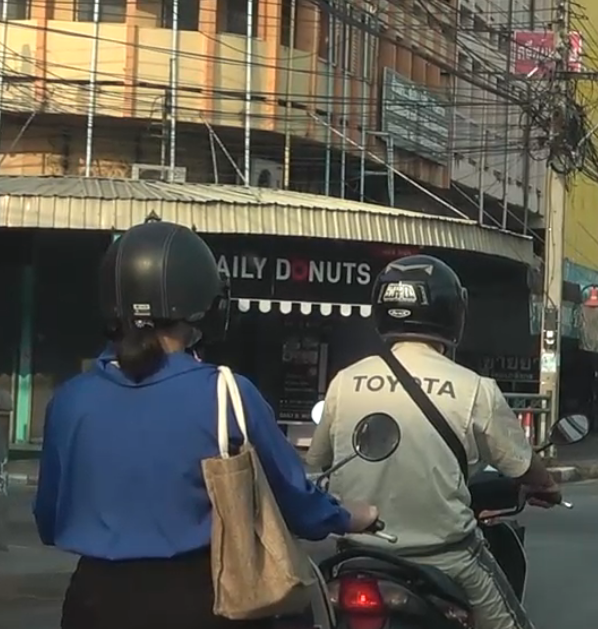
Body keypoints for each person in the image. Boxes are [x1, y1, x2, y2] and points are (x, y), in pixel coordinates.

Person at [35, 219, 376, 629]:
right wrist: (351, 515)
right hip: (201, 600)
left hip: (92, 602)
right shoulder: (227, 394)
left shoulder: (69, 399)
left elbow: (50, 521)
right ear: (197, 299)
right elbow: (298, 506)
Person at [307, 255, 564, 629]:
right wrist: (548, 487)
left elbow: (317, 464)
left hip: (357, 558)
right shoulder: (475, 389)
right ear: (452, 313)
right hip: (446, 557)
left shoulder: (346, 381)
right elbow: (524, 467)